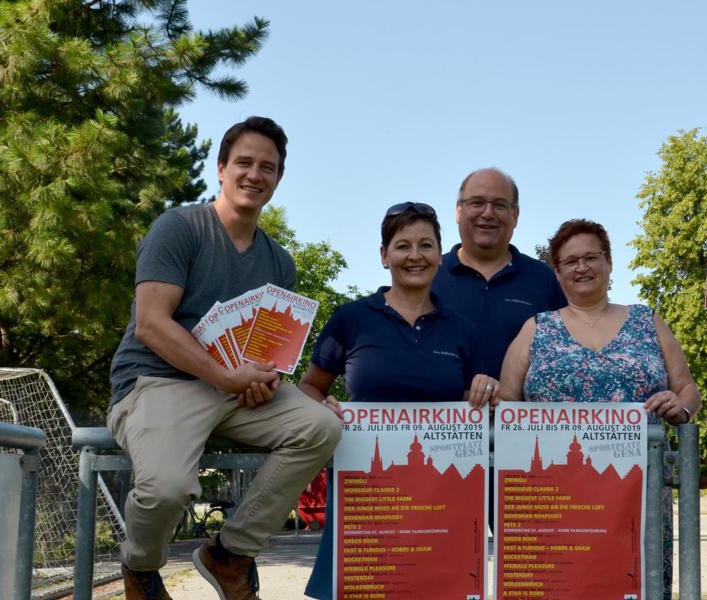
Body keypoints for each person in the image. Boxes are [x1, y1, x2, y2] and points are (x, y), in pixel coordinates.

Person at [107, 117, 343, 600]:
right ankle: (140, 568)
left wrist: (261, 380)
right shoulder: (179, 227)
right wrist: (225, 376)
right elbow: (152, 323)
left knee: (321, 426)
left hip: (231, 392)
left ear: (278, 179)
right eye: (244, 163)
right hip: (157, 381)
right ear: (221, 168)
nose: (255, 174)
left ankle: (230, 552)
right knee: (168, 488)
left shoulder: (280, 262)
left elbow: (267, 353)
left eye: (268, 167)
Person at [301, 202, 500, 599]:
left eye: (426, 245)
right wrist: (319, 408)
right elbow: (309, 387)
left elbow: (473, 399)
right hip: (368, 496)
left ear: (439, 256)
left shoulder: (463, 330)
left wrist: (485, 387)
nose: (414, 256)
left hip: (442, 505)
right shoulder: (351, 318)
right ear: (384, 255)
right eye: (402, 245)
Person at [498, 218, 701, 596]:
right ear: (557, 272)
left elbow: (688, 388)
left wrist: (681, 407)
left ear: (609, 263)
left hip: (637, 498)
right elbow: (507, 404)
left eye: (591, 257)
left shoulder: (647, 320)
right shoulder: (536, 328)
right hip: (554, 501)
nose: (582, 267)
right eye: (570, 261)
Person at [430, 168, 567, 379]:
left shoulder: (543, 279)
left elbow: (571, 354)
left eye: (499, 205)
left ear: (515, 215)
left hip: (524, 412)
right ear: (458, 211)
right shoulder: (429, 276)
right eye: (476, 203)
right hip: (442, 412)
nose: (487, 213)